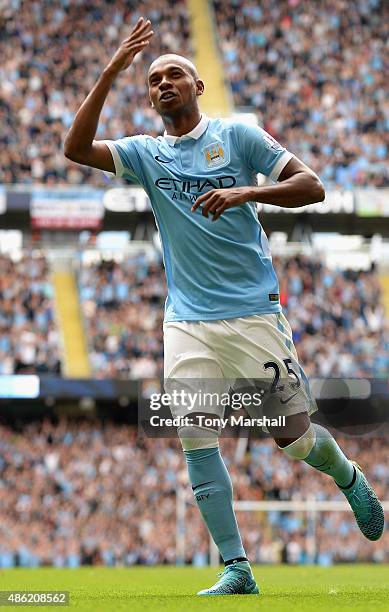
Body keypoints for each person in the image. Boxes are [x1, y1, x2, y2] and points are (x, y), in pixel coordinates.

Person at [64, 17, 384, 595]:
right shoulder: (144, 153)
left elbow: (313, 186)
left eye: (175, 74)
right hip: (186, 319)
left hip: (253, 312)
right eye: (154, 77)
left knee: (293, 436)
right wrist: (112, 69)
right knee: (194, 433)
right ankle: (237, 568)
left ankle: (349, 477)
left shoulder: (238, 138)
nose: (163, 82)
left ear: (198, 86)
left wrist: (246, 190)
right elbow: (75, 148)